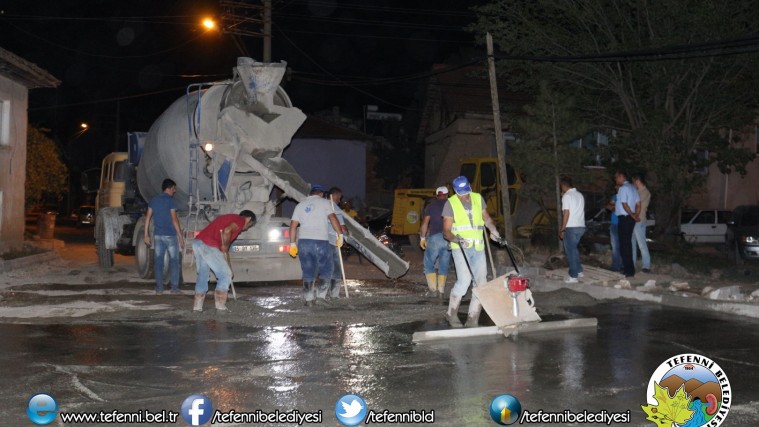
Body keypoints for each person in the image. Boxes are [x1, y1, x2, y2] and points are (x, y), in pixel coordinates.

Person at [442, 176, 501, 328]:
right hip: (460, 247)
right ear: (455, 191)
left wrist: (492, 229)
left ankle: (473, 318)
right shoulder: (451, 203)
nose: (465, 195)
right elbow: (446, 231)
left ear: (469, 186)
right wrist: (458, 240)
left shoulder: (477, 198)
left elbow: (486, 218)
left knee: (481, 283)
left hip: (478, 246)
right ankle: (451, 313)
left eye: (466, 191)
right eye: (461, 193)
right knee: (464, 281)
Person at [289, 185, 344, 306]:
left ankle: (309, 299)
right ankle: (320, 297)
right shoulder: (325, 203)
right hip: (320, 241)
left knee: (308, 270)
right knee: (327, 269)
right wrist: (340, 235)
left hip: (304, 242)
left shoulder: (300, 205)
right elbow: (333, 218)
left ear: (311, 193)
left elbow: (293, 226)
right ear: (321, 194)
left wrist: (292, 243)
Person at [192, 210, 256, 312]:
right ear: (248, 219)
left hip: (198, 242)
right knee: (225, 274)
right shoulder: (240, 220)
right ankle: (220, 307)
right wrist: (225, 246)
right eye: (249, 225)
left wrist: (224, 247)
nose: (247, 228)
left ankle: (197, 307)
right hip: (207, 245)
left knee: (203, 275)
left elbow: (225, 234)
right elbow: (227, 231)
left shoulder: (230, 218)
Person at [144, 178, 185, 295]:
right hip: (170, 236)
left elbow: (147, 218)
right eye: (173, 188)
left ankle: (159, 289)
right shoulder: (170, 202)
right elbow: (174, 220)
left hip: (158, 236)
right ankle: (174, 288)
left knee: (158, 262)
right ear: (168, 188)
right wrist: (180, 237)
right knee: (174, 261)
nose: (175, 191)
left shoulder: (153, 201)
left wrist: (146, 234)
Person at [419, 186, 451, 299]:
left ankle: (433, 290)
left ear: (436, 195)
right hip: (448, 238)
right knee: (444, 265)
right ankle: (441, 291)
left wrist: (422, 238)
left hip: (435, 238)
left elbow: (424, 223)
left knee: (428, 263)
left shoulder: (430, 206)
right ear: (447, 194)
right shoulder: (451, 205)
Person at [559, 176, 586, 283]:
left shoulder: (566, 196)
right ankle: (579, 271)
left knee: (570, 251)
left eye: (561, 187)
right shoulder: (579, 194)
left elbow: (566, 213)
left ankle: (573, 276)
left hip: (571, 227)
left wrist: (562, 229)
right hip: (581, 226)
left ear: (564, 186)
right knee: (574, 249)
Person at [614, 170, 641, 278]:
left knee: (624, 245)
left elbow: (624, 204)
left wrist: (632, 215)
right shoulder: (633, 188)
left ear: (621, 177)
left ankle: (628, 271)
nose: (615, 180)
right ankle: (629, 269)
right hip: (630, 219)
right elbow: (638, 204)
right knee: (628, 244)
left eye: (616, 178)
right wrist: (636, 215)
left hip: (625, 218)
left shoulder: (623, 188)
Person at [326, 187, 349, 299]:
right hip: (332, 241)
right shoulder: (334, 208)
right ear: (334, 195)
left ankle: (323, 292)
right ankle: (334, 294)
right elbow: (342, 227)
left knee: (326, 268)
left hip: (321, 241)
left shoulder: (322, 206)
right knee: (336, 269)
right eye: (339, 197)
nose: (339, 200)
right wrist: (345, 234)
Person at [631, 174, 652, 273]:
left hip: (639, 220)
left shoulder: (645, 192)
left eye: (634, 181)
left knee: (642, 244)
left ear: (638, 181)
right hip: (634, 220)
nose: (633, 183)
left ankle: (646, 266)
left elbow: (636, 204)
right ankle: (632, 263)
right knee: (632, 243)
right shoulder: (637, 191)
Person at [608, 186, 622, 273]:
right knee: (619, 246)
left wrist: (615, 209)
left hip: (617, 224)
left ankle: (616, 266)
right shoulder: (615, 196)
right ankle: (620, 265)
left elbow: (610, 206)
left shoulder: (618, 197)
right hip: (617, 223)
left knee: (616, 246)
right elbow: (609, 206)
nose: (615, 187)